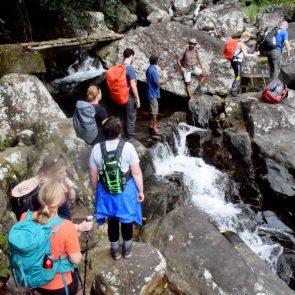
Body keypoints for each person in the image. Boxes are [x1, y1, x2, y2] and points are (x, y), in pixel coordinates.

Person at [89, 117, 144, 260]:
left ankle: (115, 251)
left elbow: (93, 174)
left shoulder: (96, 149)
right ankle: (127, 250)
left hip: (106, 191)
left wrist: (95, 190)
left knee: (112, 221)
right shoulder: (128, 147)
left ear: (104, 132)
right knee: (127, 221)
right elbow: (136, 172)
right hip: (126, 191)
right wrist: (141, 191)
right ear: (119, 132)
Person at [19, 180, 82, 295]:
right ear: (60, 201)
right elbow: (75, 259)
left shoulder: (24, 218)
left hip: (33, 280)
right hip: (59, 285)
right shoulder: (67, 227)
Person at [11, 153, 93, 232]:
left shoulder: (37, 180)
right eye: (60, 172)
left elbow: (72, 197)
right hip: (55, 232)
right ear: (49, 172)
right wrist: (79, 227)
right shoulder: (52, 191)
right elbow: (53, 222)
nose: (64, 174)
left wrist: (69, 189)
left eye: (65, 171)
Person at [146, 55, 172, 135]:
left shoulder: (149, 69)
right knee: (155, 111)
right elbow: (157, 84)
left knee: (152, 110)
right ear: (156, 61)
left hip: (150, 92)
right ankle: (154, 127)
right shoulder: (153, 71)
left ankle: (151, 125)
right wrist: (168, 79)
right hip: (152, 93)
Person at [230, 31, 260, 96]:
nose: (248, 39)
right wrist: (254, 55)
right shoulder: (241, 43)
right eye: (248, 38)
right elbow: (246, 55)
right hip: (237, 61)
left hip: (234, 61)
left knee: (237, 76)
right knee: (238, 76)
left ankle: (234, 90)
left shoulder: (237, 41)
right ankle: (233, 90)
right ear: (246, 37)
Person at [121, 48, 141, 140]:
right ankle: (130, 138)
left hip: (120, 95)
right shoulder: (130, 69)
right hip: (129, 96)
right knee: (131, 117)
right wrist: (137, 98)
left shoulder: (119, 66)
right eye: (133, 57)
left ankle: (124, 135)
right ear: (131, 56)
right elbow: (133, 86)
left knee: (124, 115)